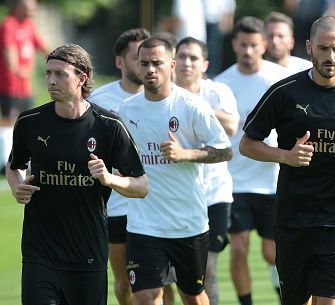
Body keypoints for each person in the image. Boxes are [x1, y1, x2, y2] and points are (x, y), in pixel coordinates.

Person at [239, 16, 335, 305]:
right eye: (322, 48)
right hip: (294, 219)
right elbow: (247, 144)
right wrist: (285, 156)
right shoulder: (283, 92)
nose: (329, 57)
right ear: (309, 47)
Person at [7, 43, 148, 305]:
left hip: (87, 253)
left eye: (60, 74)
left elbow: (141, 186)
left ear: (82, 78)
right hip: (40, 253)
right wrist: (16, 187)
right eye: (48, 73)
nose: (51, 80)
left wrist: (109, 178)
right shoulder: (30, 122)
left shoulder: (109, 126)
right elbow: (14, 165)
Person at [119, 37, 232, 305]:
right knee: (146, 296)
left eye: (157, 63)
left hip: (187, 223)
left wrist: (186, 154)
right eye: (144, 63)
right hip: (143, 222)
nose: (150, 69)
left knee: (191, 296)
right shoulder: (127, 110)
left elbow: (225, 150)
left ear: (171, 65)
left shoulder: (192, 106)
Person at [214, 16, 289, 305]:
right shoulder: (223, 84)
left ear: (264, 45)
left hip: (272, 180)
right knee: (240, 248)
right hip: (235, 181)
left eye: (253, 45)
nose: (247, 51)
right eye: (242, 45)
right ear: (234, 44)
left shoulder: (278, 80)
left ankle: (282, 295)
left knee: (272, 252)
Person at [87, 28, 156, 305]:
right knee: (126, 285)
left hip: (158, 206)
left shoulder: (167, 97)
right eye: (137, 57)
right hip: (118, 206)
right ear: (119, 62)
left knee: (157, 286)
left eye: (148, 57)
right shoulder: (98, 102)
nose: (144, 64)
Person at [174, 36, 239, 305]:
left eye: (194, 58)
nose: (187, 63)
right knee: (175, 274)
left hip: (214, 193)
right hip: (176, 195)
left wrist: (196, 107)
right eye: (183, 57)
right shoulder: (163, 94)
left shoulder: (217, 92)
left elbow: (232, 126)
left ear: (205, 64)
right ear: (173, 62)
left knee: (207, 268)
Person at [0, 0, 49, 123]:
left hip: (26, 88)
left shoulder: (29, 25)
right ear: (18, 7)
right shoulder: (9, 25)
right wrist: (18, 70)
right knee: (10, 125)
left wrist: (61, 59)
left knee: (29, 123)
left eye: (34, 7)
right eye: (29, 7)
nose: (33, 10)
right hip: (10, 88)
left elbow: (42, 47)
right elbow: (9, 53)